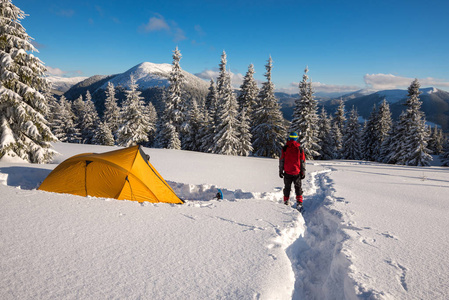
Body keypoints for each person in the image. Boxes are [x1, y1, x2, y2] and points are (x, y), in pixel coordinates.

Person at [279, 131, 306, 210]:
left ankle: (286, 201)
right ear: (296, 138)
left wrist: (280, 170)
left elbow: (281, 160)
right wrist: (303, 171)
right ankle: (299, 202)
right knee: (298, 187)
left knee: (287, 187)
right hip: (297, 172)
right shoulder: (300, 148)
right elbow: (302, 161)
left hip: (287, 171)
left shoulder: (285, 148)